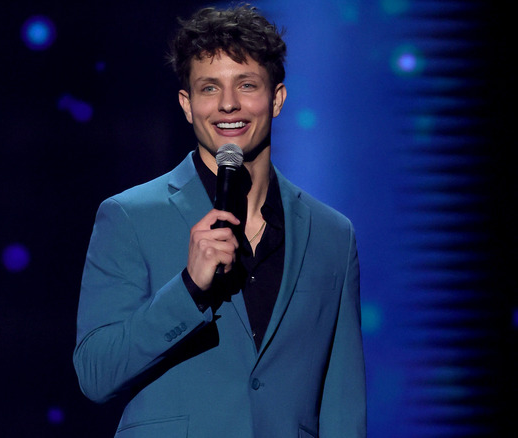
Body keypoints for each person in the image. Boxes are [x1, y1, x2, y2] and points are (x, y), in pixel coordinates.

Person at [73, 5, 366, 437]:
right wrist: (188, 289)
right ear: (187, 105)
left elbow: (343, 404)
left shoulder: (331, 236)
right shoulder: (129, 216)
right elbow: (95, 374)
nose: (228, 104)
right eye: (210, 88)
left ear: (277, 98)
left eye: (246, 85)